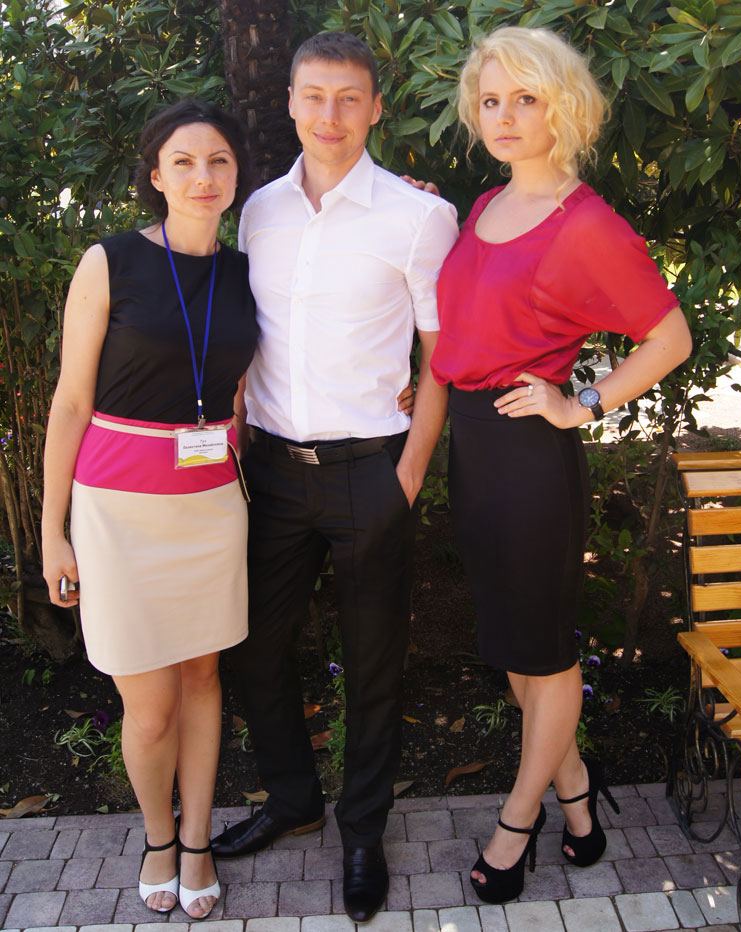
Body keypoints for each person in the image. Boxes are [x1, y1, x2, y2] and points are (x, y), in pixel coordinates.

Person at [430, 26, 693, 904]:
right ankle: (576, 792)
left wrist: (582, 402)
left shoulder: (584, 225)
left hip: (529, 456)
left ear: (563, 107)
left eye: (525, 98)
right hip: (474, 447)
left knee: (541, 653)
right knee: (515, 649)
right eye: (490, 100)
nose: (503, 115)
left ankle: (518, 821)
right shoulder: (483, 205)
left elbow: (668, 337)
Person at [209, 31, 459, 923]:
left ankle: (362, 832)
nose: (330, 115)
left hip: (370, 471)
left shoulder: (419, 217)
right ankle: (291, 799)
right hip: (273, 471)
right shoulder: (258, 211)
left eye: (349, 97)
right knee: (251, 645)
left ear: (376, 108)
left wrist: (408, 475)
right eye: (313, 95)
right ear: (288, 102)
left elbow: (440, 358)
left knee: (374, 663)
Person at [41, 99, 259, 920]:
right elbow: (70, 402)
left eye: (219, 161)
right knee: (150, 703)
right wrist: (52, 531)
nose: (203, 177)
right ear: (156, 176)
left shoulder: (246, 271)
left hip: (211, 507)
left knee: (203, 676)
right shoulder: (110, 262)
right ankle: (158, 837)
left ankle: (197, 840)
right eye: (183, 162)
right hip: (117, 515)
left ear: (236, 175)